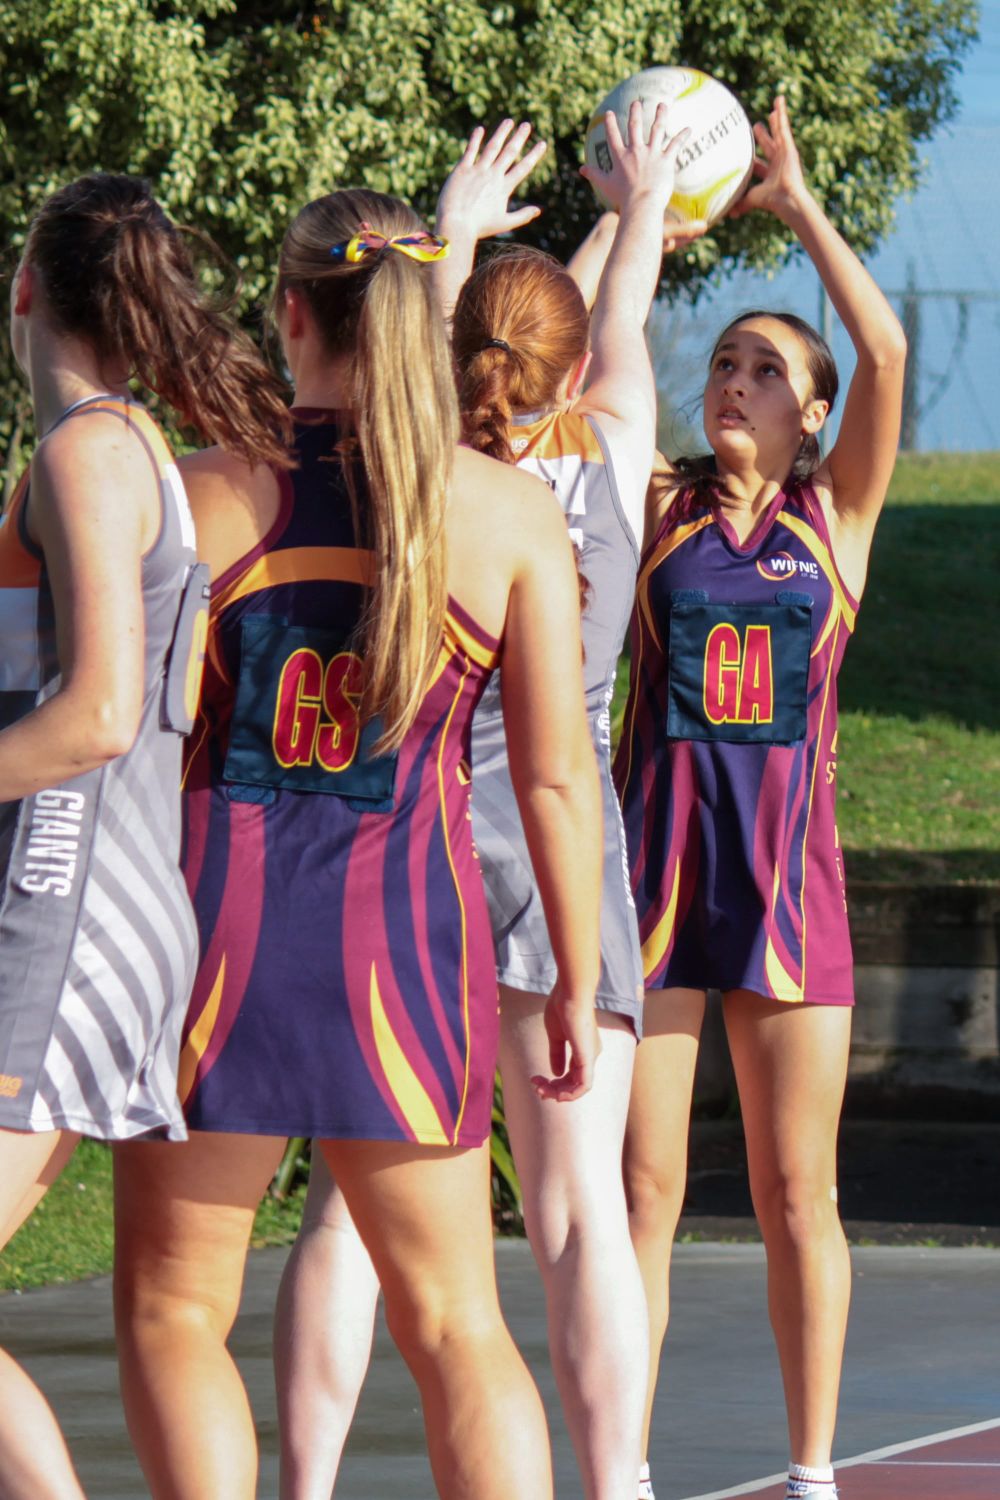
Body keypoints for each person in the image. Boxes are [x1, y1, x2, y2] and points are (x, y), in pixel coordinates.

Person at [112, 183, 604, 1500]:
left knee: (176, 1314)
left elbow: (121, 734)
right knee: (456, 1324)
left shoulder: (202, 494)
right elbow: (557, 780)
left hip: (216, 938)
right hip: (409, 943)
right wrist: (572, 971)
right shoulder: (504, 515)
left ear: (291, 311)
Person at [272, 107, 705, 1500]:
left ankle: (305, 1481)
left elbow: (444, 337)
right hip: (559, 839)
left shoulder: (415, 475)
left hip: (414, 842)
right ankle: (618, 1482)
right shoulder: (612, 437)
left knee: (352, 1204)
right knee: (581, 1214)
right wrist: (640, 206)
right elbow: (603, 326)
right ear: (572, 370)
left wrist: (455, 235)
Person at [614, 98, 907, 1500]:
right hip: (659, 891)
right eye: (724, 362)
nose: (734, 382)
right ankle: (630, 1463)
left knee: (800, 1199)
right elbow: (602, 366)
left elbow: (888, 349)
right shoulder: (657, 512)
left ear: (811, 415)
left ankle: (811, 1472)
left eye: (767, 370)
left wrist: (795, 206)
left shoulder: (832, 524)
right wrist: (643, 223)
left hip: (792, 902)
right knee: (642, 1199)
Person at [0, 171, 290, 1500]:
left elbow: (100, 714)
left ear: (25, 291)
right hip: (81, 901)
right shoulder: (120, 453)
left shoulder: (89, 455)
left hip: (71, 910)